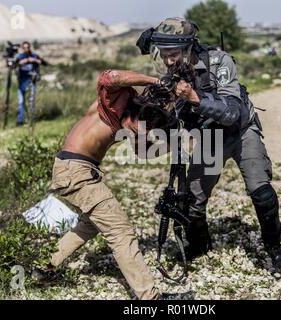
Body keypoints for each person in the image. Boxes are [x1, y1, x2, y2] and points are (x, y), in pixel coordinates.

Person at [137, 18, 281, 275]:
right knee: (191, 200)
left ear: (187, 49)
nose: (168, 62)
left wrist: (194, 97)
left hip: (241, 132)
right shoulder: (171, 74)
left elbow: (231, 112)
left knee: (261, 192)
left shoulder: (219, 61)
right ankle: (199, 244)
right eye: (163, 56)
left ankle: (274, 247)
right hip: (209, 138)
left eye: (173, 55)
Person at [38, 69, 188, 300]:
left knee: (90, 225)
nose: (137, 133)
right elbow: (110, 77)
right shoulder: (114, 101)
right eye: (138, 128)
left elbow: (141, 152)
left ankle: (42, 268)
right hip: (75, 171)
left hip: (75, 169)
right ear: (134, 111)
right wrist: (157, 81)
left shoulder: (135, 119)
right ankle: (151, 298)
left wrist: (173, 145)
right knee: (121, 232)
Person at [15, 41, 42, 126]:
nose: (27, 49)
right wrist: (25, 61)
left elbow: (41, 62)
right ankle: (20, 121)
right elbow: (15, 64)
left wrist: (33, 60)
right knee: (21, 102)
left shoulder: (34, 56)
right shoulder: (20, 57)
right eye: (25, 48)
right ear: (23, 48)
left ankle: (31, 120)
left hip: (31, 81)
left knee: (31, 101)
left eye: (28, 47)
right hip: (22, 82)